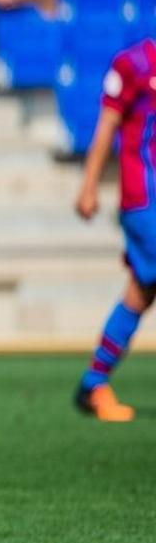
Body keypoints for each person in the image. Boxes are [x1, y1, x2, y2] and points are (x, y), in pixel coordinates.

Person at [72, 39, 156, 422]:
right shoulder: (134, 64)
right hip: (145, 198)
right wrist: (89, 185)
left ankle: (94, 382)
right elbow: (107, 125)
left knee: (141, 292)